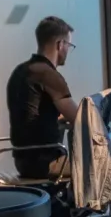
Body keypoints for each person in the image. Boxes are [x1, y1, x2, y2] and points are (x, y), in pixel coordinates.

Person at [6, 16, 78, 179]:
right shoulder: (48, 75)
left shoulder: (21, 71)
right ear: (60, 45)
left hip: (23, 160)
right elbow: (80, 119)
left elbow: (31, 114)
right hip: (46, 163)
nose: (68, 50)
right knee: (104, 165)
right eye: (69, 45)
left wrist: (57, 121)